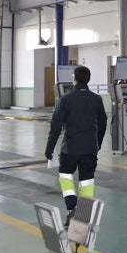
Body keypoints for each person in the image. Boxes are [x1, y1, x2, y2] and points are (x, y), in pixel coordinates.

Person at [44, 65, 107, 219]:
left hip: (70, 148)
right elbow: (103, 123)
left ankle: (71, 208)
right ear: (88, 79)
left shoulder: (65, 99)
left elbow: (56, 125)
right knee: (87, 180)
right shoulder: (97, 99)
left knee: (65, 176)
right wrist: (97, 144)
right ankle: (85, 212)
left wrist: (49, 148)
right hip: (90, 148)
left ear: (74, 79)